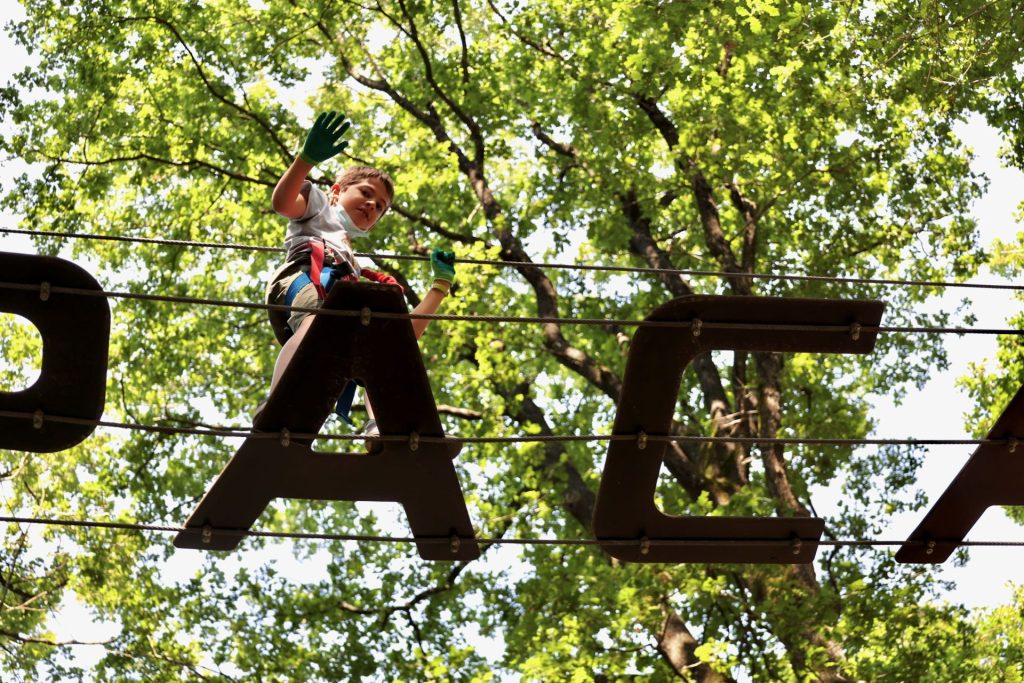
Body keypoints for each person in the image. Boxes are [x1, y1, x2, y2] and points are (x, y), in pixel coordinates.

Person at [262, 110, 456, 439]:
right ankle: (277, 402)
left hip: (339, 301)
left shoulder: (356, 263)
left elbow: (405, 337)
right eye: (365, 193)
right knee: (316, 321)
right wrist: (305, 161)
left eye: (379, 206)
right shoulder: (319, 208)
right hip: (302, 279)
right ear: (337, 191)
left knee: (385, 351)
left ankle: (382, 427)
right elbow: (283, 203)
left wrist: (439, 287)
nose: (371, 204)